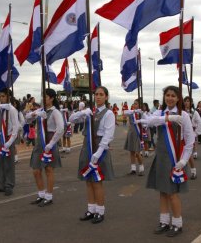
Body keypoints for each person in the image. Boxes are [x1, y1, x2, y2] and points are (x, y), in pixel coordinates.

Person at [139, 85, 195, 237]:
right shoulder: (160, 113)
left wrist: (183, 161)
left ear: (178, 98)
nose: (170, 98)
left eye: (173, 95)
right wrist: (168, 118)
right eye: (167, 95)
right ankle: (164, 221)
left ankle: (177, 223)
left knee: (173, 193)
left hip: (175, 158)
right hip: (161, 157)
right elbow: (148, 122)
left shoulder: (183, 115)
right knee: (162, 191)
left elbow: (190, 140)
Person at [69, 86, 115, 224]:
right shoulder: (90, 112)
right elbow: (71, 119)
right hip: (87, 146)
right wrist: (82, 112)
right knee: (88, 180)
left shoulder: (108, 113)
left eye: (101, 94)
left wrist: (98, 153)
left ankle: (100, 211)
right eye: (96, 94)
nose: (98, 97)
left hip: (98, 147)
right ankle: (91, 209)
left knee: (97, 181)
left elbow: (108, 135)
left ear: (106, 97)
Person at [26, 88, 64, 206]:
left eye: (46, 96)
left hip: (49, 141)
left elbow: (60, 129)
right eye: (43, 96)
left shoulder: (55, 112)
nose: (43, 99)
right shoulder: (40, 110)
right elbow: (27, 119)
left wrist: (51, 143)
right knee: (36, 170)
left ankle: (49, 196)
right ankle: (41, 194)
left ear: (52, 98)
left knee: (49, 170)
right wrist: (34, 113)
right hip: (39, 142)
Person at [123, 99, 145, 176]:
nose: (134, 105)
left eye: (136, 104)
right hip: (131, 133)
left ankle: (141, 167)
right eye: (134, 103)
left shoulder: (142, 113)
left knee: (137, 152)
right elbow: (124, 113)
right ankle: (133, 169)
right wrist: (134, 111)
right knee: (131, 151)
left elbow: (145, 123)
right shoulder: (131, 113)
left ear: (139, 105)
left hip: (138, 134)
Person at [184, 96, 201, 179]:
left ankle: (193, 171)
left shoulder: (194, 112)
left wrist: (195, 134)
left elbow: (199, 123)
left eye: (188, 101)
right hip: (182, 134)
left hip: (190, 134)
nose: (187, 103)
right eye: (185, 101)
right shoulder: (181, 111)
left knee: (188, 154)